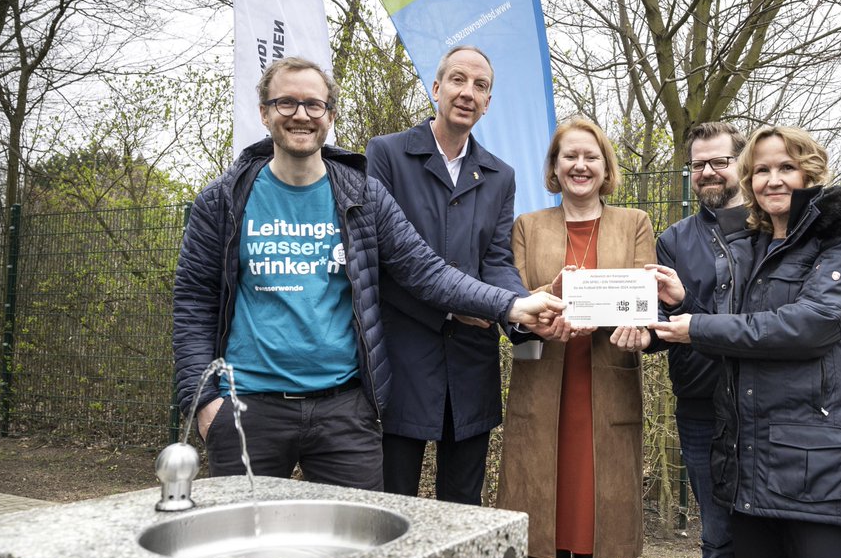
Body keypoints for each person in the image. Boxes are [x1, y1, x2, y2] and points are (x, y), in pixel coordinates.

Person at [172, 56, 562, 490]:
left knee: (363, 548)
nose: (301, 114)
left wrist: (512, 304)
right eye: (286, 103)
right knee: (243, 549)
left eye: (314, 105)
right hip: (247, 409)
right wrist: (204, 402)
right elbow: (194, 304)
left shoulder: (361, 195)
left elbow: (424, 269)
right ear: (264, 112)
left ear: (330, 116)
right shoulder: (222, 201)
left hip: (344, 412)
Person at [651, 124, 841, 558]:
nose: (773, 179)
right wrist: (686, 302)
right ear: (748, 181)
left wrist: (696, 328)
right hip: (749, 454)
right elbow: (737, 319)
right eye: (761, 170)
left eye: (785, 167)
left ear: (809, 172)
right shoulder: (748, 245)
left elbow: (808, 325)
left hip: (819, 461)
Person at [495, 116, 655, 558]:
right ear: (554, 168)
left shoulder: (634, 221)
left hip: (604, 394)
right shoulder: (527, 226)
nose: (580, 165)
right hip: (543, 397)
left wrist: (635, 326)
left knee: (595, 523)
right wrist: (547, 299)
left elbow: (642, 299)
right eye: (569, 157)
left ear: (606, 166)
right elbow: (510, 302)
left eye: (591, 156)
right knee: (543, 524)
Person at [365, 45, 529, 506]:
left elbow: (496, 259)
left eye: (480, 86)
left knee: (462, 506)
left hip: (471, 363)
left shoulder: (500, 175)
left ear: (488, 103)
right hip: (402, 356)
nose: (468, 92)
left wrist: (520, 314)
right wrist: (466, 303)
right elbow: (386, 255)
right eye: (458, 80)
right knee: (391, 503)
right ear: (436, 88)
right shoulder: (386, 154)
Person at [655, 121, 753, 558]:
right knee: (717, 542)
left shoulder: (770, 230)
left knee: (773, 544)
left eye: (718, 161)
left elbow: (764, 321)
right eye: (698, 165)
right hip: (700, 411)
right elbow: (661, 321)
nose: (708, 173)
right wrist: (632, 331)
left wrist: (687, 306)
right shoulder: (674, 239)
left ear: (740, 163)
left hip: (765, 408)